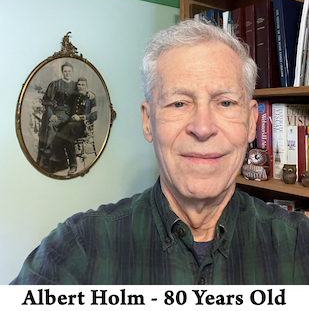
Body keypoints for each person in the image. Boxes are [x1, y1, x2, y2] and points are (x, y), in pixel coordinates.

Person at [11, 20, 309, 284]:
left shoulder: (300, 243)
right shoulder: (78, 248)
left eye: (226, 103)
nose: (202, 128)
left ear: (252, 122)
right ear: (148, 121)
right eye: (179, 103)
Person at [51, 77, 97, 175]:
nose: (80, 87)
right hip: (71, 126)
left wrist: (80, 117)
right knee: (67, 135)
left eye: (83, 85)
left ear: (86, 86)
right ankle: (72, 165)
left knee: (69, 127)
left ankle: (51, 149)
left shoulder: (90, 98)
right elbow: (62, 102)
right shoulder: (74, 96)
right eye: (79, 85)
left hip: (82, 126)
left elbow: (94, 115)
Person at [37, 62, 77, 173]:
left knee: (69, 129)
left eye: (69, 71)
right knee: (52, 125)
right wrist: (51, 115)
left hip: (72, 113)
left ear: (72, 72)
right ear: (62, 72)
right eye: (65, 71)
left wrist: (90, 94)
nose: (67, 73)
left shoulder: (76, 85)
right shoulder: (55, 84)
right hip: (58, 112)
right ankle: (49, 160)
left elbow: (84, 95)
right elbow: (48, 101)